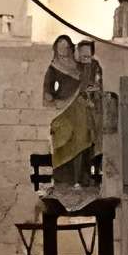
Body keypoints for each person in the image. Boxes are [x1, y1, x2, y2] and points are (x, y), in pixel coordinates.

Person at [43, 33, 101, 192]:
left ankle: (81, 178)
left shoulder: (79, 65)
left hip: (81, 109)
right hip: (63, 111)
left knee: (83, 142)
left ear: (70, 48)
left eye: (66, 47)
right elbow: (47, 90)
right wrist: (54, 100)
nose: (63, 50)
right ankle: (64, 179)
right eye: (60, 47)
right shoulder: (53, 67)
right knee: (63, 140)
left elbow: (91, 81)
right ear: (55, 48)